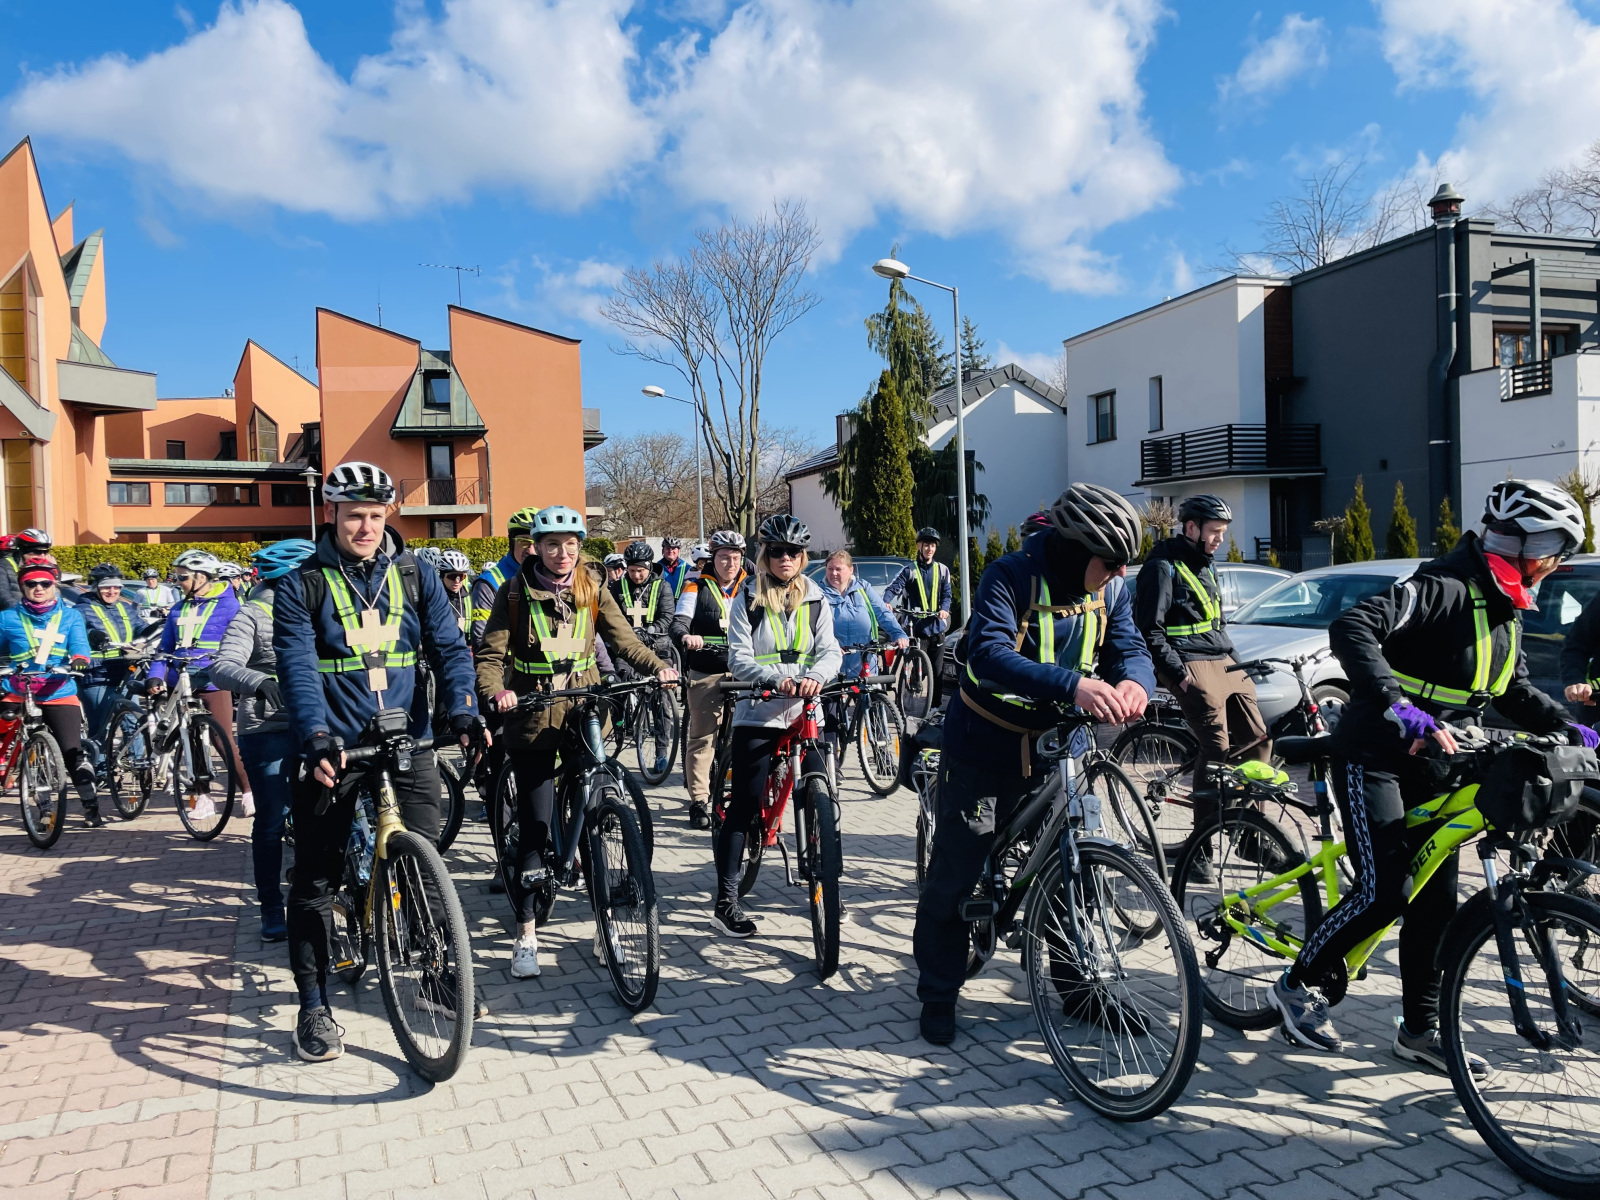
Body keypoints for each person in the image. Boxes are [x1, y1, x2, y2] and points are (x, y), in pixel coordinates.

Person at [1273, 479, 1592, 1073]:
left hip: (1441, 763)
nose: (1554, 565)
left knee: (1434, 903)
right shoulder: (1442, 586)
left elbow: (1512, 689)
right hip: (1375, 754)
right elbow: (1353, 628)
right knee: (1386, 890)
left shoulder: (1506, 607)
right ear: (1527, 547)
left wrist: (1565, 724)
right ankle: (1296, 985)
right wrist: (1397, 703)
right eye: (1554, 552)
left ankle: (1418, 1031)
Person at [913, 483, 1155, 1045]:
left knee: (1076, 870)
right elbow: (988, 654)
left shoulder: (1111, 589)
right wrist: (1074, 685)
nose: (1119, 574)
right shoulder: (1010, 576)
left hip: (1059, 747)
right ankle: (939, 993)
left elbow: (1130, 648)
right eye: (1110, 562)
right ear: (1076, 548)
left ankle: (1079, 990)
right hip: (985, 745)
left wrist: (1135, 683)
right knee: (956, 872)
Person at [273, 461, 483, 1063]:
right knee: (316, 879)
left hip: (407, 742)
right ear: (331, 514)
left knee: (424, 865)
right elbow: (298, 666)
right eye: (353, 515)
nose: (365, 527)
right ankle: (313, 1006)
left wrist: (464, 709)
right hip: (335, 748)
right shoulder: (302, 584)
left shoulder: (416, 574)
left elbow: (449, 648)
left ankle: (437, 975)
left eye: (374, 514)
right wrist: (316, 735)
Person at [476, 505, 676, 980]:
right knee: (535, 825)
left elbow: (624, 640)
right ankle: (526, 933)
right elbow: (490, 656)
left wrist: (658, 668)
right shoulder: (514, 592)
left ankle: (605, 927)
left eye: (570, 545)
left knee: (595, 821)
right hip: (532, 715)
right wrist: (496, 692)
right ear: (536, 547)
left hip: (584, 710)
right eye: (552, 545)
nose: (562, 553)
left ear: (580, 547)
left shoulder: (592, 586)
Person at [717, 515, 844, 937]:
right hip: (761, 710)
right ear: (765, 555)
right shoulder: (747, 597)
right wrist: (773, 679)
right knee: (745, 803)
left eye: (793, 552)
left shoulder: (816, 597)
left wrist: (818, 676)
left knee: (824, 796)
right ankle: (726, 900)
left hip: (806, 711)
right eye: (777, 551)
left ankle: (828, 885)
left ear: (802, 556)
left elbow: (830, 650)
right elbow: (738, 656)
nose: (785, 558)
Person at [1133, 494, 1270, 807]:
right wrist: (1179, 676)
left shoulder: (1207, 565)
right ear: (1191, 528)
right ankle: (1204, 834)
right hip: (1189, 662)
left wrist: (1237, 661)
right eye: (1214, 531)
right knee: (1217, 751)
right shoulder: (1161, 567)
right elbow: (1149, 629)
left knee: (1258, 743)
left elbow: (1217, 622)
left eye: (1223, 532)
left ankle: (1246, 824)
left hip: (1223, 658)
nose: (1220, 539)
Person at [212, 539, 317, 945]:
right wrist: (259, 681)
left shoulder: (321, 608)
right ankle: (272, 906)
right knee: (272, 819)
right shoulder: (253, 613)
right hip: (269, 727)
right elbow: (223, 666)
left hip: (318, 724)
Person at [146, 549, 251, 819]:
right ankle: (202, 796)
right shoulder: (178, 608)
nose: (177, 582)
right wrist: (156, 674)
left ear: (201, 577)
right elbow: (165, 647)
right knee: (190, 739)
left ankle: (249, 791)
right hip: (180, 681)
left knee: (221, 738)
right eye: (176, 577)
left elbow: (241, 644)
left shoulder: (231, 607)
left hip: (213, 680)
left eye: (182, 577)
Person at [0, 556, 98, 823]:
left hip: (58, 690)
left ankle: (90, 804)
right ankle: (36, 798)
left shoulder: (70, 616)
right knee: (11, 732)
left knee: (71, 751)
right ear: (23, 587)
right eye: (31, 584)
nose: (38, 588)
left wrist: (79, 659)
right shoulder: (7, 618)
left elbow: (80, 644)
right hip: (19, 689)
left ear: (54, 585)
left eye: (45, 583)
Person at [673, 530, 750, 830]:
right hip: (708, 669)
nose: (730, 564)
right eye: (724, 558)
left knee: (747, 735)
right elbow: (679, 622)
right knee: (703, 737)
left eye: (735, 558)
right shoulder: (696, 586)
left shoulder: (751, 587)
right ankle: (699, 801)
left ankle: (743, 795)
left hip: (744, 670)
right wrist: (687, 636)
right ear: (712, 559)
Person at [76, 564, 141, 776]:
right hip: (97, 675)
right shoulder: (81, 609)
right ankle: (101, 772)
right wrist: (92, 635)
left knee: (134, 720)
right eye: (106, 587)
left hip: (125, 672)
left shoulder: (125, 608)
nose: (112, 591)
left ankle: (139, 766)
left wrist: (155, 628)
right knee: (99, 727)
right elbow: (78, 632)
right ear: (95, 587)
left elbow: (139, 627)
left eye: (117, 587)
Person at [884, 527, 952, 703]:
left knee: (937, 671)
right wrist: (886, 601)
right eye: (926, 545)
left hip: (937, 626)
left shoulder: (942, 570)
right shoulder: (909, 570)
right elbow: (893, 588)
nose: (930, 549)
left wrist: (944, 609)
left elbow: (947, 594)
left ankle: (935, 706)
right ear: (919, 546)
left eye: (933, 546)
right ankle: (910, 688)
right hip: (916, 628)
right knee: (920, 668)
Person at [612, 542, 672, 649]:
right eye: (632, 571)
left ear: (649, 568)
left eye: (640, 571)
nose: (636, 575)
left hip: (657, 641)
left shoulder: (663, 586)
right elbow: (613, 616)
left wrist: (649, 631)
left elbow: (667, 616)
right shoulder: (617, 587)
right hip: (626, 643)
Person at [436, 549, 472, 636]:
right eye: (452, 576)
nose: (457, 581)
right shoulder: (435, 598)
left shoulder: (470, 595)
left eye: (461, 576)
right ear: (442, 576)